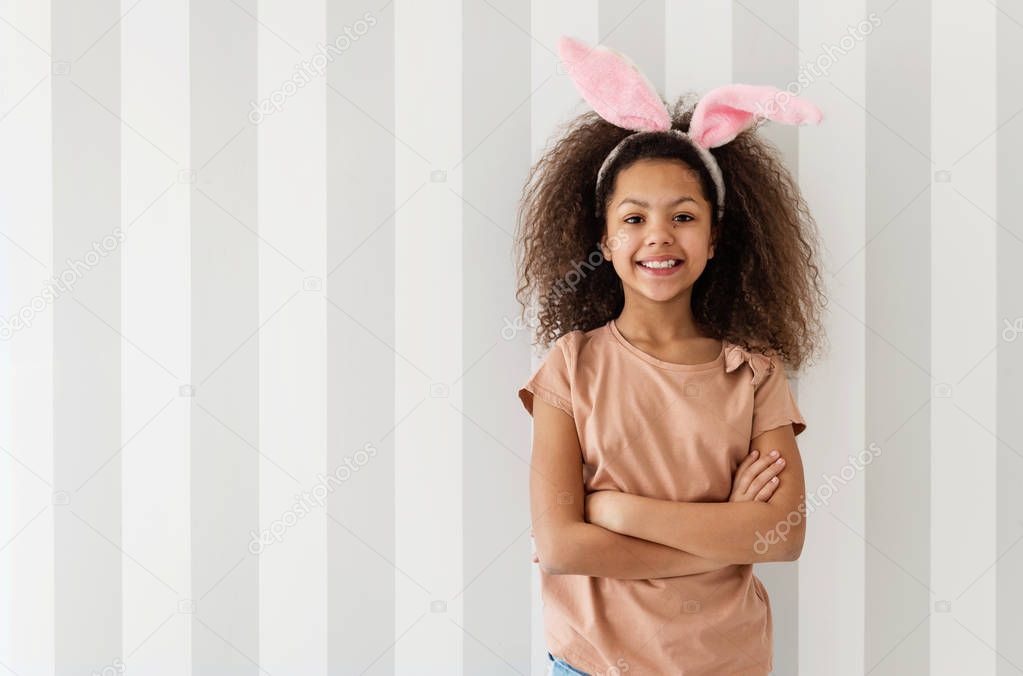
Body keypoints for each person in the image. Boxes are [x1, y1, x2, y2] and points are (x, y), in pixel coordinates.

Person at [515, 36, 828, 676]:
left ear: (714, 238)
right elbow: (561, 546)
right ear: (604, 236)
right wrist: (724, 533)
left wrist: (618, 512)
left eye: (683, 216)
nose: (659, 234)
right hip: (592, 665)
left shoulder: (755, 373)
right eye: (634, 218)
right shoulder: (570, 368)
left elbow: (783, 537)